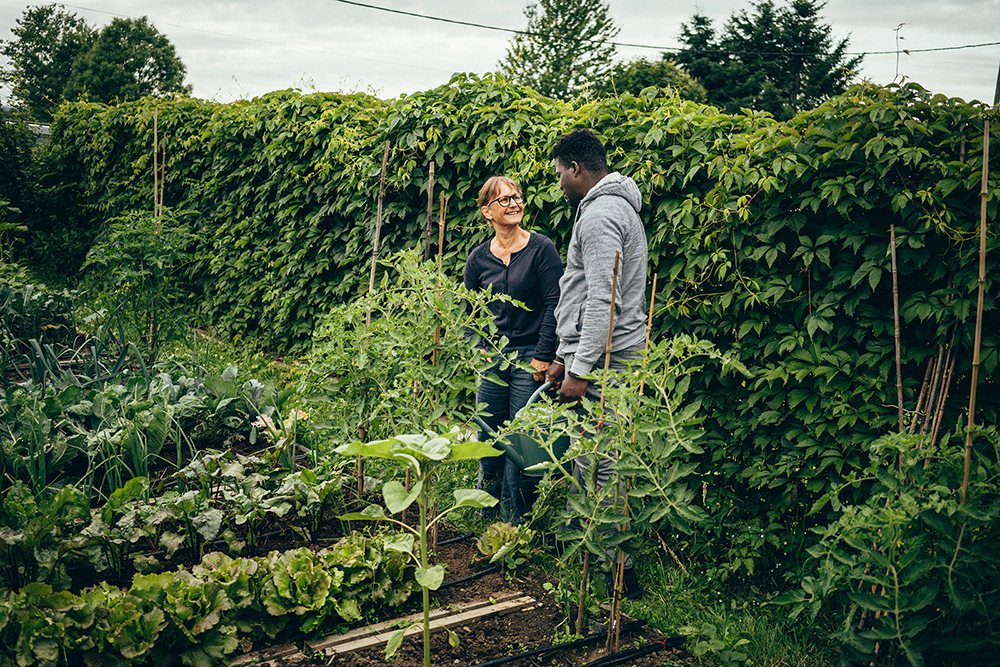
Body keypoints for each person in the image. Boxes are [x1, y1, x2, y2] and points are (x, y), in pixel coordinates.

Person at [544, 128, 647, 599]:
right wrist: (566, 355)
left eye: (560, 172)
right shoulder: (607, 208)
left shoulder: (601, 215)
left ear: (576, 168)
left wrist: (580, 370)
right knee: (591, 457)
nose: (559, 182)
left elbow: (604, 301)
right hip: (595, 355)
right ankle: (588, 551)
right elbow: (582, 292)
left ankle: (617, 570)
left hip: (608, 361)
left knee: (607, 463)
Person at [465, 175, 563, 523]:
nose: (513, 204)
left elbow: (555, 304)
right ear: (486, 212)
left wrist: (544, 354)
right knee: (489, 432)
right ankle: (482, 511)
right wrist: (480, 347)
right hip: (494, 358)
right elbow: (471, 312)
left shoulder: (541, 249)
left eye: (517, 197)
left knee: (519, 440)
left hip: (530, 357)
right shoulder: (478, 259)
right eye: (503, 200)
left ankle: (514, 521)